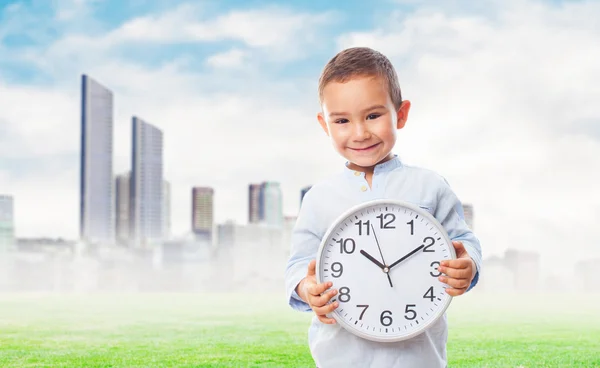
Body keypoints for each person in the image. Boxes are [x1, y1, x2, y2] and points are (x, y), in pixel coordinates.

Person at [284, 47, 483, 367]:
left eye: (373, 116)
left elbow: (465, 242)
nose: (360, 132)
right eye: (342, 120)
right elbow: (298, 265)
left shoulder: (430, 186)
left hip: (419, 358)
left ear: (400, 114)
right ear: (325, 125)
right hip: (341, 359)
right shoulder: (318, 198)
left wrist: (468, 265)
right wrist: (307, 288)